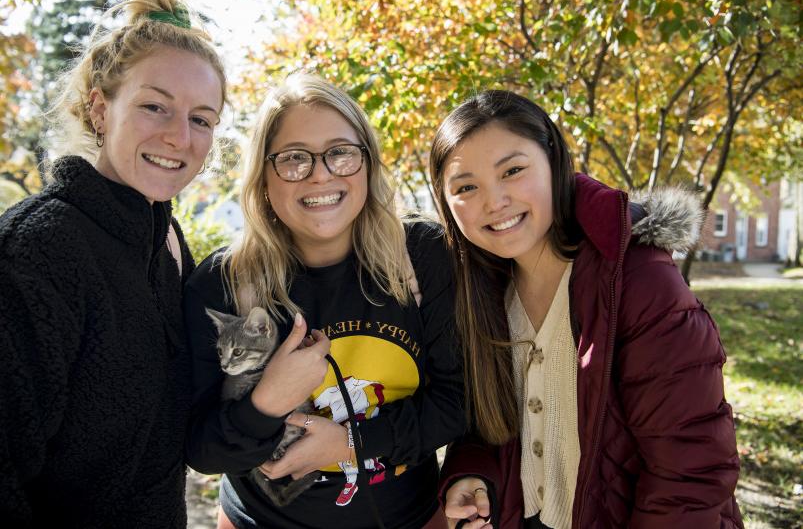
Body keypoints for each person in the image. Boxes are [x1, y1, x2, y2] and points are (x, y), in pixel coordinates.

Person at [428, 90, 743, 529]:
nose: (493, 201)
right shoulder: (479, 292)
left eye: (513, 171)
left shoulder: (637, 281)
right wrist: (473, 472)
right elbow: (487, 425)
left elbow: (691, 469)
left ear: (555, 163)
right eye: (466, 187)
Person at [183, 73, 464, 529]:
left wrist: (352, 442)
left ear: (367, 163)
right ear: (264, 177)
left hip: (412, 518)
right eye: (294, 159)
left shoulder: (422, 256)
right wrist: (266, 403)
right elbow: (203, 450)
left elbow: (462, 400)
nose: (320, 173)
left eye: (340, 153)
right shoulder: (223, 284)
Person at [0, 0, 226, 527]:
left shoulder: (166, 238)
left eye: (202, 118)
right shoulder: (38, 250)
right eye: (155, 106)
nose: (179, 136)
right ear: (101, 108)